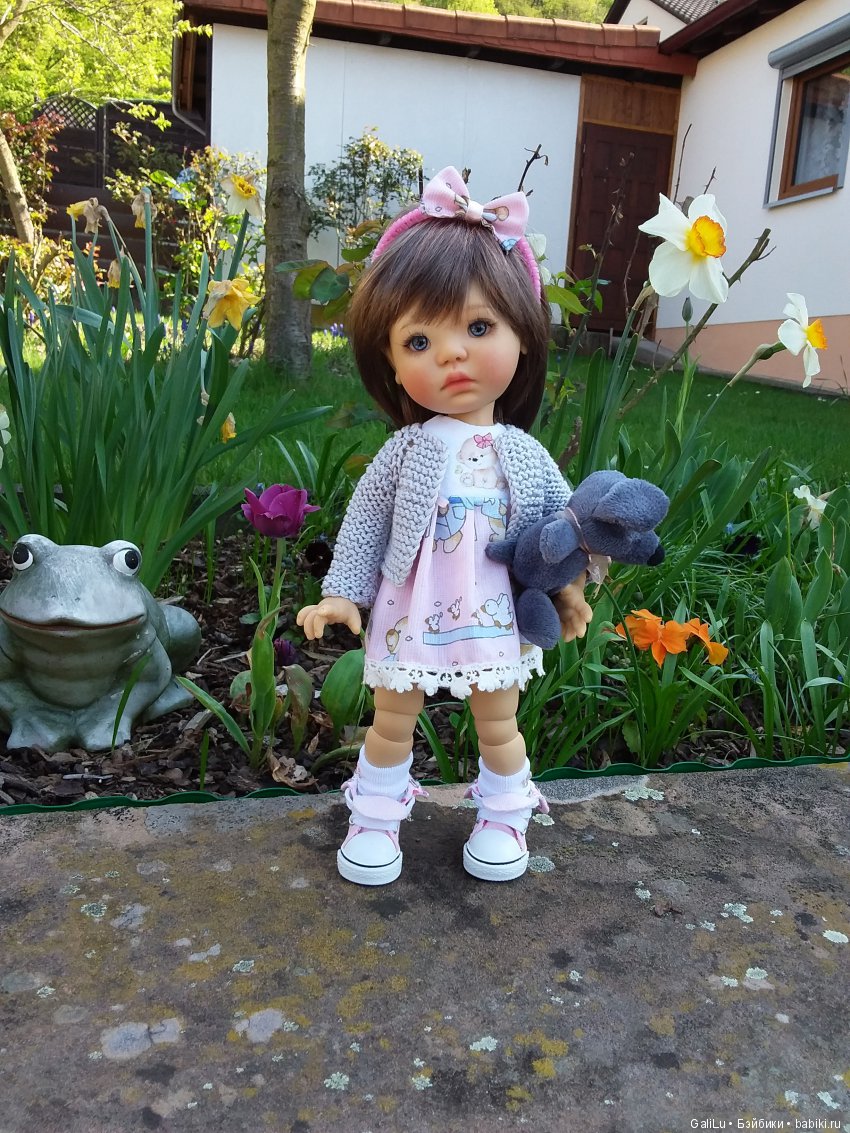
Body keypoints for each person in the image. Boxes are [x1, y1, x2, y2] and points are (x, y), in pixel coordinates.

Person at [297, 166, 593, 886]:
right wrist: (344, 592)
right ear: (391, 362)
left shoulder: (522, 454)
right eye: (419, 342)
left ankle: (504, 814)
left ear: (523, 336)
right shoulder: (405, 451)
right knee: (391, 717)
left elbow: (561, 525)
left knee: (499, 718)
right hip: (412, 609)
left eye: (479, 327)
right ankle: (375, 817)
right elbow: (365, 521)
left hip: (494, 612)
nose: (453, 354)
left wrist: (570, 586)